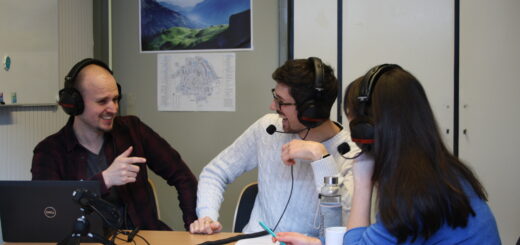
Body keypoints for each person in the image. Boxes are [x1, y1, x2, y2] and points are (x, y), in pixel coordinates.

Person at [274, 64, 501, 244]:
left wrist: (362, 181)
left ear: (367, 131)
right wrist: (317, 243)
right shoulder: (438, 174)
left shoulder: (414, 193)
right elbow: (374, 237)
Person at [189, 57, 358, 236]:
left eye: (282, 102)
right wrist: (207, 216)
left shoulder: (350, 155)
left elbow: (336, 226)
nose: (272, 106)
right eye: (275, 98)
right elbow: (215, 172)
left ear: (311, 110)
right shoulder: (269, 128)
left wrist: (321, 160)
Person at [31, 58, 198, 231]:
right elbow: (48, 212)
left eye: (115, 99)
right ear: (74, 104)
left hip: (143, 238)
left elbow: (182, 176)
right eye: (102, 101)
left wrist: (193, 224)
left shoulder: (133, 130)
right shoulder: (49, 151)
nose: (113, 108)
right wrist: (104, 181)